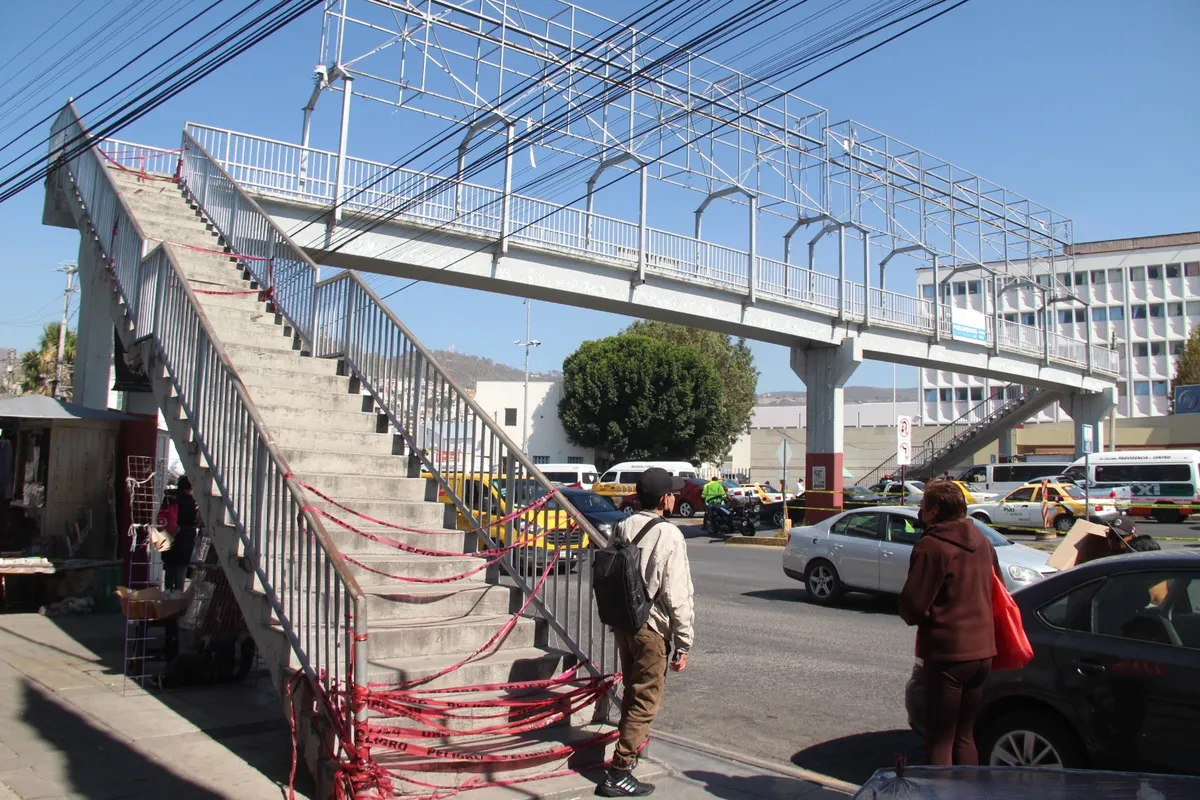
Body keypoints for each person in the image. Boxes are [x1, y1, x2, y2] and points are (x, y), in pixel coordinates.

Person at [598, 468, 696, 797]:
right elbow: (677, 594)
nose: (675, 497)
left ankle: (630, 754)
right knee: (645, 700)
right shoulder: (669, 535)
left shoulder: (624, 525)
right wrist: (683, 643)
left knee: (632, 690)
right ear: (665, 499)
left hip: (625, 622)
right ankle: (619, 771)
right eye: (673, 493)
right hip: (651, 627)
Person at [899, 480, 997, 767]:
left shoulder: (932, 546)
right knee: (964, 735)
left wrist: (924, 614)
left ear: (934, 512)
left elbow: (912, 607)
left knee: (940, 739)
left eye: (922, 506)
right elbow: (995, 588)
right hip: (983, 651)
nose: (919, 511)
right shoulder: (981, 540)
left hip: (949, 655)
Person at [161, 476, 198, 592]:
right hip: (185, 536)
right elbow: (193, 521)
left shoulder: (168, 497)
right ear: (189, 488)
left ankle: (167, 592)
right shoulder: (191, 502)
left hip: (168, 533)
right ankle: (177, 593)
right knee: (181, 567)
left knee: (170, 564)